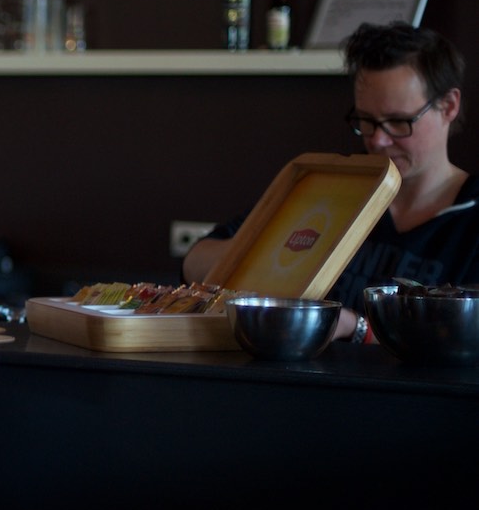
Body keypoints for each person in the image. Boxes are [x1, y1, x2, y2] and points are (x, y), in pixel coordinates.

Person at [183, 20, 477, 342]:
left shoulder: (470, 217)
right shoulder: (334, 189)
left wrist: (356, 327)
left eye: (398, 121)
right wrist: (270, 243)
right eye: (366, 121)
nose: (377, 140)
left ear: (449, 106)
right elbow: (194, 263)